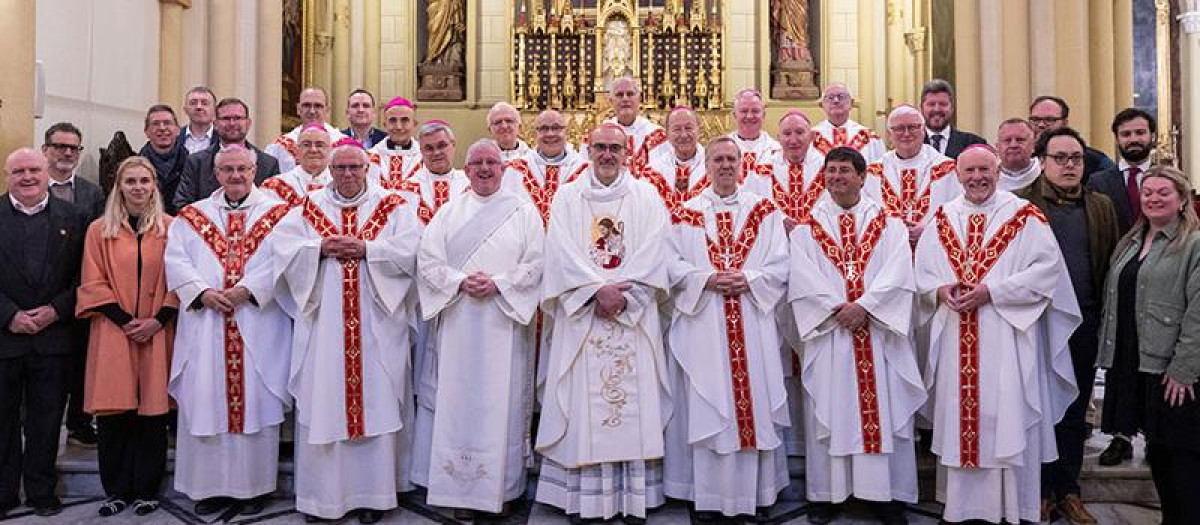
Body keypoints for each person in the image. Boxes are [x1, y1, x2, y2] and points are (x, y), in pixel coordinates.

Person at [914, 145, 1081, 524]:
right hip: (957, 333)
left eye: (984, 170)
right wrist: (940, 290)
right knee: (961, 421)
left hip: (1006, 334)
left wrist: (993, 291)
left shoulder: (1024, 216)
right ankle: (961, 508)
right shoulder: (942, 217)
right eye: (969, 170)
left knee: (1005, 417)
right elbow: (923, 272)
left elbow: (1046, 270)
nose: (977, 177)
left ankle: (1011, 508)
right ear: (957, 175)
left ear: (998, 171)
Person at [273, 142, 421, 523]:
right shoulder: (308, 207)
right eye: (340, 168)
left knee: (376, 401)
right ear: (331, 170)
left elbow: (411, 253)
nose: (348, 174)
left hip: (377, 325)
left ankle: (374, 495)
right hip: (325, 330)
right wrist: (320, 247)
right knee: (325, 400)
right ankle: (322, 499)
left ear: (368, 167)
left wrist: (368, 249)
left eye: (355, 167)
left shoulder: (393, 206)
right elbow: (283, 250)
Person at [535, 124, 670, 524]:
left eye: (615, 148)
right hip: (585, 316)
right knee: (583, 402)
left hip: (632, 313)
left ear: (627, 152)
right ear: (588, 150)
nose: (607, 154)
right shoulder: (568, 196)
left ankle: (633, 498)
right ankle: (585, 498)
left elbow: (655, 248)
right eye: (600, 147)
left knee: (633, 402)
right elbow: (559, 250)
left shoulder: (646, 195)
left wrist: (626, 297)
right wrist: (597, 293)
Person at [790, 147, 924, 525]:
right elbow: (802, 278)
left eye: (845, 171)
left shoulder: (889, 224)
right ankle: (827, 494)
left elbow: (899, 272)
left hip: (877, 334)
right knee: (830, 409)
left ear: (863, 176)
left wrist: (864, 307)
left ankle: (885, 495)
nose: (836, 177)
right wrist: (838, 308)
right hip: (831, 334)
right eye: (831, 171)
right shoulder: (807, 228)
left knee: (883, 408)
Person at [414, 140, 544, 520]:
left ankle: (500, 492)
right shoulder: (449, 212)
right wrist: (457, 282)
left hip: (503, 325)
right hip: (458, 323)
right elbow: (428, 260)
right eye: (478, 163)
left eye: (492, 163)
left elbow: (536, 262)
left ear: (503, 170)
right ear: (466, 170)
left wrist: (500, 284)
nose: (485, 169)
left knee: (500, 406)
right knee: (457, 407)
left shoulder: (523, 211)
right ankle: (459, 493)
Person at [665, 137, 790, 521]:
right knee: (708, 401)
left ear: (742, 164)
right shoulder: (685, 213)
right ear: (705, 165)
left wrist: (750, 278)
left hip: (751, 321)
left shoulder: (764, 211)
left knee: (751, 403)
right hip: (705, 323)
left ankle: (753, 496)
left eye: (730, 159)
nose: (723, 165)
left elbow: (781, 264)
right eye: (716, 159)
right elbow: (670, 264)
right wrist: (707, 280)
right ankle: (707, 497)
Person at [166, 145, 294, 518]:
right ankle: (208, 487)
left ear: (254, 169)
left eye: (242, 169)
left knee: (254, 402)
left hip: (257, 322)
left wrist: (248, 290)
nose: (235, 176)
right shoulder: (191, 216)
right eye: (227, 170)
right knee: (206, 398)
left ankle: (253, 488)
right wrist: (201, 292)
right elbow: (175, 259)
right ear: (215, 174)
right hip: (206, 325)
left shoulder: (279, 215)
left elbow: (284, 259)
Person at [1016, 127, 1118, 524]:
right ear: (1042, 162)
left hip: (1084, 324)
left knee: (1075, 409)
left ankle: (1069, 490)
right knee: (1037, 407)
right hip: (1034, 324)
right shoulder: (1021, 205)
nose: (1069, 165)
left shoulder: (1101, 206)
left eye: (1075, 157)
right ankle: (1040, 490)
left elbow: (1110, 259)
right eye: (1059, 158)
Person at [1095, 166, 1200, 525]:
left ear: (1183, 199)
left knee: (1183, 455)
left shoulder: (1194, 244)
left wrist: (1184, 369)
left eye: (1164, 193)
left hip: (1173, 369)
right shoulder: (1132, 240)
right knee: (1157, 448)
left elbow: (1199, 312)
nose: (1154, 198)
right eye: (1148, 192)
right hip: (1135, 361)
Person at [76, 156, 178, 517]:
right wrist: (124, 320)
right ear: (118, 187)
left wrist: (156, 319)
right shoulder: (98, 230)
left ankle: (147, 488)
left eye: (144, 181)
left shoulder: (171, 228)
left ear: (155, 186)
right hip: (113, 329)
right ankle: (116, 489)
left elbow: (180, 280)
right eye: (130, 181)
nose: (137, 188)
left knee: (152, 415)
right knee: (114, 413)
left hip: (156, 328)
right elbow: (92, 281)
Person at [0, 149, 89, 518]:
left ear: (46, 171)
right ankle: (3, 493)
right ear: (7, 176)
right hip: (5, 338)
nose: (27, 177)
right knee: (1, 422)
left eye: (33, 169)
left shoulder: (75, 217)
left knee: (47, 419)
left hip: (54, 337)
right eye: (18, 171)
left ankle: (40, 489)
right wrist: (10, 315)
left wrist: (56, 310)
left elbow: (83, 277)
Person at [742, 110, 827, 460]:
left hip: (820, 272)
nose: (793, 140)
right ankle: (786, 438)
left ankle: (813, 437)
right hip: (774, 275)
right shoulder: (761, 172)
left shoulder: (829, 169)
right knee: (776, 352)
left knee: (816, 351)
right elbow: (751, 216)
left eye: (800, 132)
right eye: (787, 133)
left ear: (811, 135)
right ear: (779, 136)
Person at [40, 122, 109, 449]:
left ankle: (80, 423)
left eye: (73, 148)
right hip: (38, 294)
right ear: (46, 150)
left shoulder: (91, 192)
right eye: (60, 147)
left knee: (81, 361)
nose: (67, 153)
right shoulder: (32, 186)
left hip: (79, 289)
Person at [866, 105, 959, 247]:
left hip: (933, 250)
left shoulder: (948, 169)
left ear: (923, 131)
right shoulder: (873, 173)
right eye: (899, 128)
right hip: (889, 251)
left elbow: (958, 213)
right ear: (889, 134)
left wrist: (929, 231)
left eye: (913, 127)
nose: (906, 133)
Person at [173, 98, 280, 211]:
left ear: (248, 123)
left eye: (238, 118)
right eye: (226, 118)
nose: (232, 123)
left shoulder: (268, 164)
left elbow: (275, 207)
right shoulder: (196, 162)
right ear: (215, 124)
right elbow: (182, 204)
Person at [1088, 108, 1158, 236]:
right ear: (1116, 139)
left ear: (1152, 136)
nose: (1133, 139)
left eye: (1140, 133)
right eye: (1126, 134)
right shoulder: (1098, 182)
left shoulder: (1169, 178)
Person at [387, 121, 469, 225]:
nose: (436, 153)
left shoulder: (470, 184)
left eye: (442, 146)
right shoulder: (406, 190)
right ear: (421, 151)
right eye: (429, 148)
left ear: (453, 145)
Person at [643, 106, 708, 222]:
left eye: (689, 128)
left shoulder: (715, 168)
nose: (683, 135)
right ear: (667, 133)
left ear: (699, 130)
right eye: (677, 129)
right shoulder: (652, 173)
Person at [1029, 96, 1116, 181]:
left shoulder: (1095, 161)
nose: (1041, 125)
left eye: (1049, 120)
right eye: (1035, 119)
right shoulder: (1023, 158)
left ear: (1065, 123)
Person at [264, 86, 346, 173]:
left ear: (327, 110)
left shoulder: (343, 145)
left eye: (318, 106)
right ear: (298, 109)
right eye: (306, 105)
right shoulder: (280, 147)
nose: (312, 111)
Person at [602, 76, 667, 174]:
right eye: (619, 95)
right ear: (611, 101)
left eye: (630, 94)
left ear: (639, 99)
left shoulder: (658, 135)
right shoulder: (600, 135)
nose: (625, 99)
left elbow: (666, 172)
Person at [811, 83, 885, 163]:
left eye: (841, 97)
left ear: (851, 103)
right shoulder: (811, 137)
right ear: (822, 104)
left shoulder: (869, 137)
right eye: (830, 97)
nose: (836, 101)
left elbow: (880, 169)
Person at [261, 124, 333, 207]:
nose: (313, 150)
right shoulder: (274, 186)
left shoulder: (339, 185)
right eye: (306, 145)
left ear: (330, 150)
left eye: (320, 145)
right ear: (297, 150)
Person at [138, 105, 190, 215]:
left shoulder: (192, 165)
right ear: (146, 132)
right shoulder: (136, 167)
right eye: (155, 124)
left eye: (167, 123)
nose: (162, 128)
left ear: (178, 130)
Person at [919, 79, 986, 159]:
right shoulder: (911, 144)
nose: (937, 109)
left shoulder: (973, 144)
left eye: (943, 104)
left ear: (952, 108)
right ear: (921, 108)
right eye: (931, 104)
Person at [726, 89, 780, 176]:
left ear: (763, 115)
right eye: (744, 111)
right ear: (734, 115)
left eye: (755, 111)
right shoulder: (722, 149)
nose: (750, 116)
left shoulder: (777, 150)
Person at [370, 97, 422, 186]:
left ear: (414, 124)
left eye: (405, 120)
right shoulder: (370, 158)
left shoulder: (424, 158)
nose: (398, 126)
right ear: (385, 125)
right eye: (393, 120)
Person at [994, 118, 1040, 193]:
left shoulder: (1047, 175)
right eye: (1007, 140)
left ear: (1033, 146)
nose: (1013, 145)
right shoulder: (987, 178)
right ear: (997, 147)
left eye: (1020, 140)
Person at [180, 86, 219, 154]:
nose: (199, 107)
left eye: (204, 103)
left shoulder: (222, 138)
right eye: (193, 103)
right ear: (185, 109)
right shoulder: (175, 137)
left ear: (215, 109)